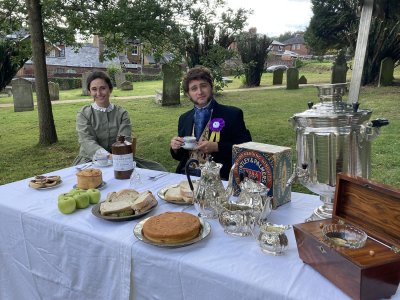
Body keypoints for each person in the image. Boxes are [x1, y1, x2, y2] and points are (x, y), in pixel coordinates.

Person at [73, 71, 166, 171]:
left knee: (158, 170)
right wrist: (108, 157)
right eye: (94, 89)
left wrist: (117, 158)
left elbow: (124, 139)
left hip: (120, 158)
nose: (99, 93)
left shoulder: (121, 113)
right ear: (89, 92)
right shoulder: (83, 114)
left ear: (110, 89)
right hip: (90, 160)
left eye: (103, 88)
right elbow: (86, 141)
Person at [170, 66, 252, 180]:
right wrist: (175, 147)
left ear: (211, 87)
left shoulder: (232, 114)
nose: (200, 92)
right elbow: (181, 156)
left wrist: (218, 147)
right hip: (186, 176)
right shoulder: (184, 118)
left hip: (218, 177)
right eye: (194, 88)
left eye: (203, 86)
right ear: (188, 94)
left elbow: (246, 148)